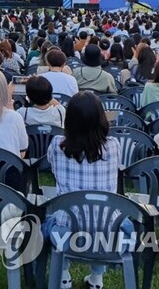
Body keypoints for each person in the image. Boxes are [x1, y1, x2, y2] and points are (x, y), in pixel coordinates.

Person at [46, 91, 122, 289]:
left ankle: (63, 275)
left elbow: (53, 169)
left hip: (65, 228)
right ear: (101, 118)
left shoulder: (56, 146)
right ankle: (96, 278)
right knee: (102, 222)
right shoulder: (114, 147)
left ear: (69, 120)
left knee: (45, 222)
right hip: (106, 229)